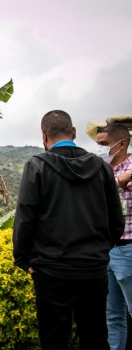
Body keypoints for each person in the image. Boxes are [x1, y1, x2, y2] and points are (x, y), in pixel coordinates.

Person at [13, 110, 124, 350]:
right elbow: (116, 219)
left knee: (54, 341)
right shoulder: (101, 167)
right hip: (93, 269)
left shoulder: (36, 166)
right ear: (73, 133)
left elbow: (25, 217)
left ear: (43, 136)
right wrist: (101, 250)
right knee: (95, 337)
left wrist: (23, 258)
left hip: (51, 271)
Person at [96, 123, 132, 350]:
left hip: (129, 248)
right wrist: (118, 182)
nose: (99, 149)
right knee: (113, 317)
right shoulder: (102, 170)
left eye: (103, 144)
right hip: (107, 250)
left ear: (121, 144)